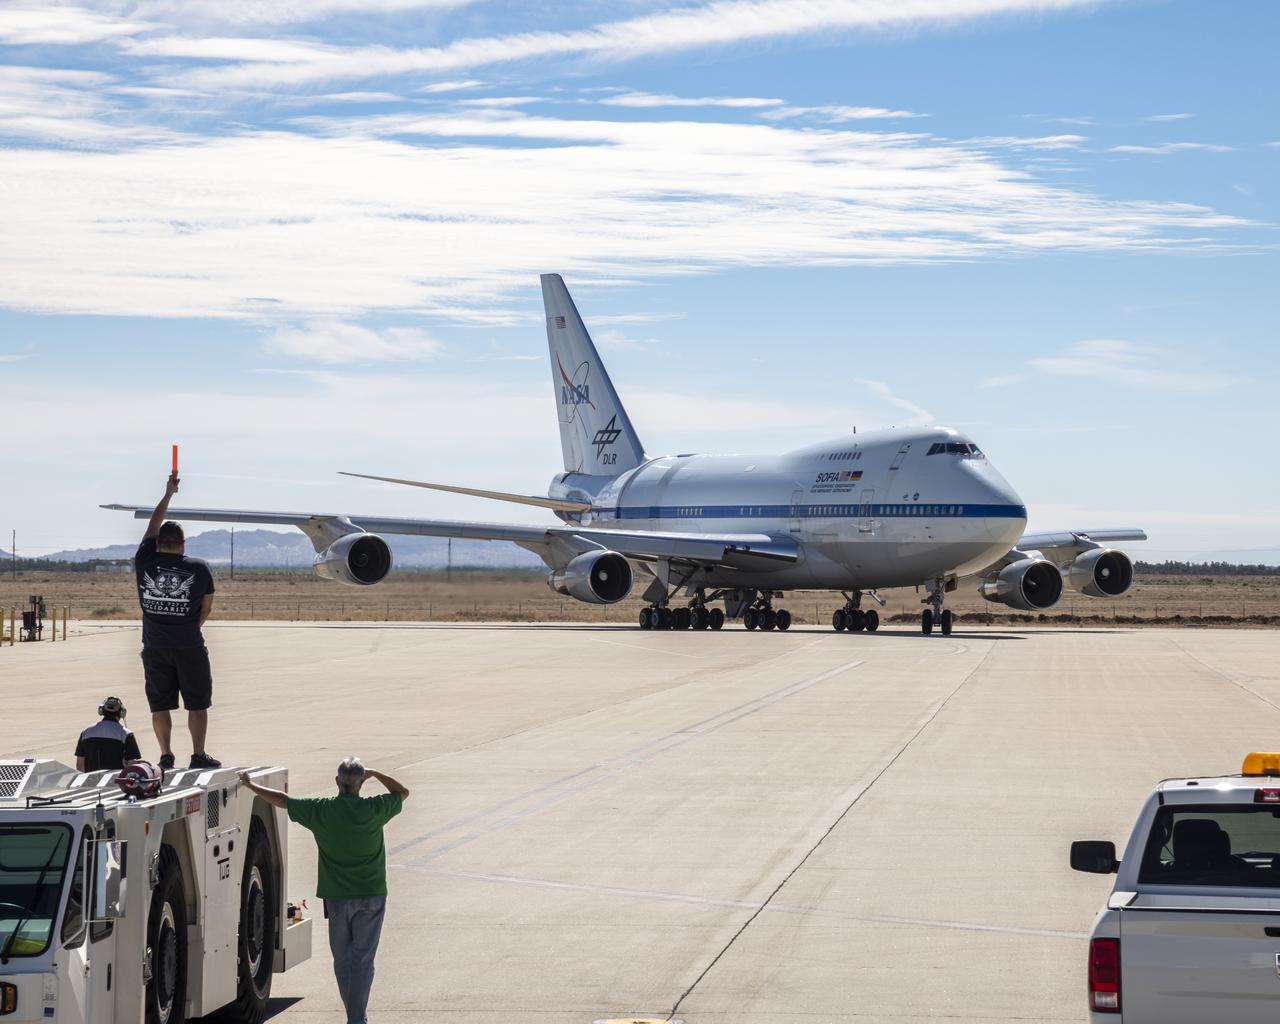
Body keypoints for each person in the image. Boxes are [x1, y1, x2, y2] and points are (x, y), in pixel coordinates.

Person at [239, 759, 409, 1024]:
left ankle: (355, 1017)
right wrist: (375, 773)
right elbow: (402, 793)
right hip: (371, 895)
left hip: (337, 898)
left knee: (342, 961)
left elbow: (283, 800)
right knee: (363, 960)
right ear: (360, 783)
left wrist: (251, 786)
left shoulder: (322, 810)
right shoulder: (374, 809)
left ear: (337, 783)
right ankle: (356, 1018)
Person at [135, 472, 220, 770]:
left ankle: (166, 755)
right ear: (183, 544)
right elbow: (206, 608)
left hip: (155, 647)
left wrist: (168, 494)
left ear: (159, 544)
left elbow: (151, 525)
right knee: (197, 703)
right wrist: (191, 626)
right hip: (188, 646)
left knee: (160, 704)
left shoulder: (145, 560)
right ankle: (198, 753)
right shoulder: (199, 568)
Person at [75, 696, 142, 772]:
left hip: (91, 781)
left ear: (101, 711)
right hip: (116, 781)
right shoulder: (126, 734)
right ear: (121, 713)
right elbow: (132, 765)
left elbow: (80, 766)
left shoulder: (86, 732)